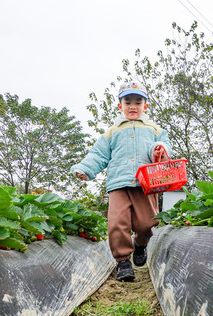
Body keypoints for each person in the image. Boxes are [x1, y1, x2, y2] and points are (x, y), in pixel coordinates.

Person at [71, 80, 171, 282]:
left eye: (137, 101)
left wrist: (160, 149)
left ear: (145, 106)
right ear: (120, 106)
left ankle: (140, 244)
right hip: (118, 183)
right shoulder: (112, 132)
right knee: (117, 224)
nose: (132, 106)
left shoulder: (153, 129)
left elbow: (164, 145)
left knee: (147, 223)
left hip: (146, 183)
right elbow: (98, 155)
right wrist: (85, 169)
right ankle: (123, 261)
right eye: (128, 102)